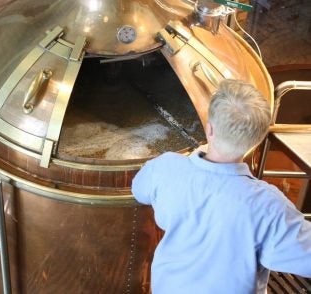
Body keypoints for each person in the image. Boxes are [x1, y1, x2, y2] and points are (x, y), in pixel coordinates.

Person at [132, 79, 311, 294]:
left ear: (209, 129)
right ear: (259, 138)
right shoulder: (269, 207)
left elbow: (139, 190)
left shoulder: (165, 167)